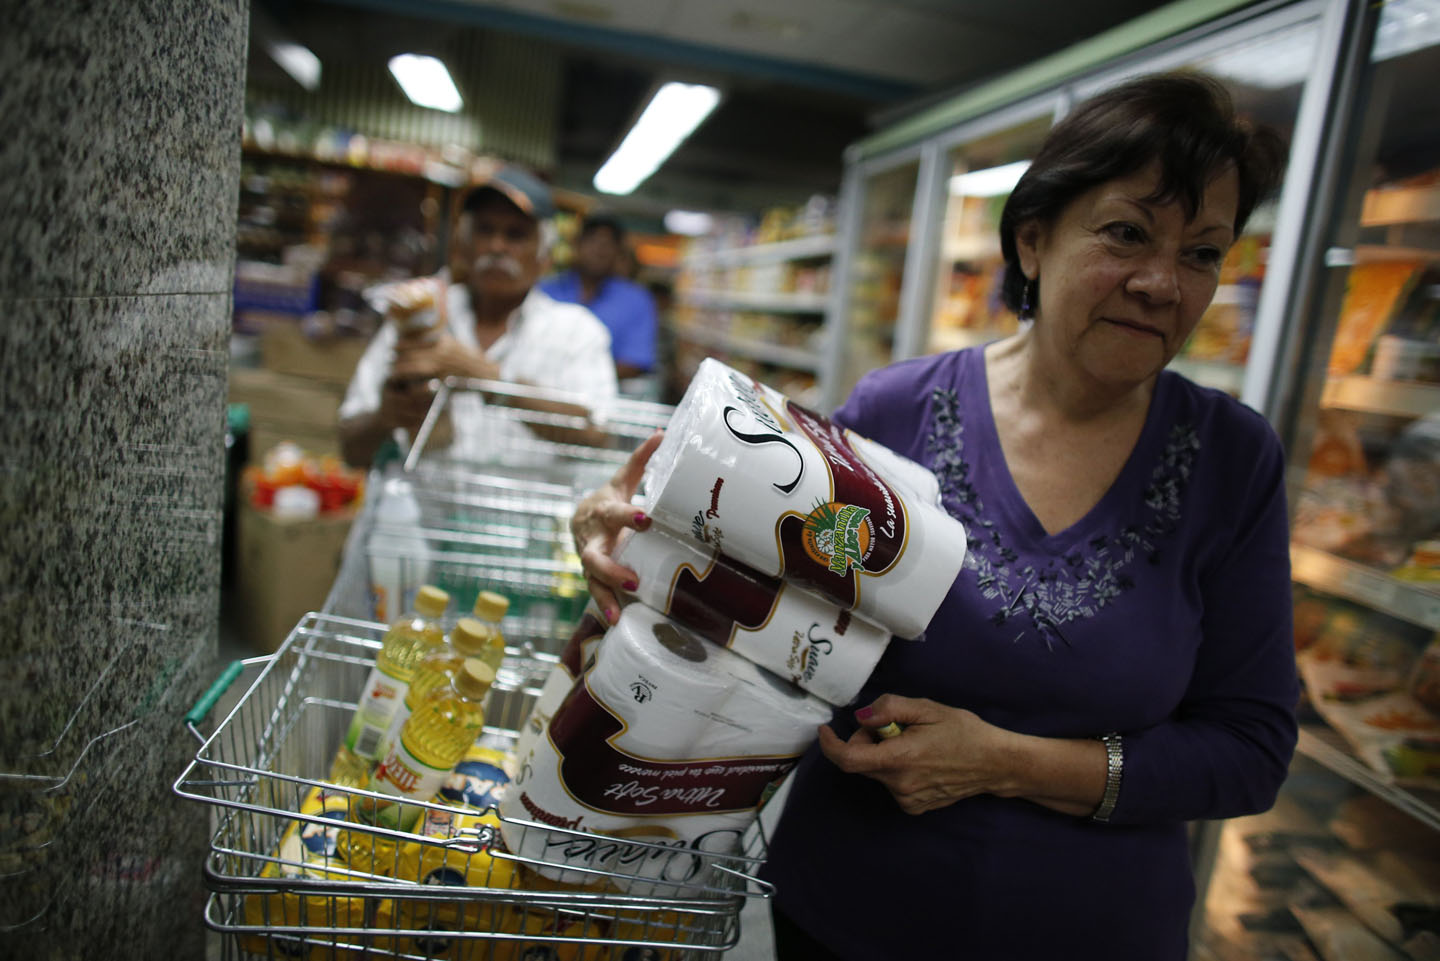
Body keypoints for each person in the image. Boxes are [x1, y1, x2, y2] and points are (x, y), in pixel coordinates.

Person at [569, 74, 1298, 960]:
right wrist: (636, 541)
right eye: (1126, 233)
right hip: (850, 917)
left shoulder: (1233, 460)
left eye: (1203, 254)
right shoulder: (896, 413)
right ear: (1034, 240)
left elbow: (1250, 747)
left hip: (1095, 933)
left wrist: (1004, 759)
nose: (1160, 283)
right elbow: (753, 605)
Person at [338, 164, 618, 468]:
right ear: (464, 245)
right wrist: (385, 417)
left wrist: (490, 380)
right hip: (417, 511)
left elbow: (599, 438)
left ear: (544, 256)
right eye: (485, 230)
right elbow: (351, 451)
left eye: (516, 235)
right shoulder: (418, 318)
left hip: (524, 513)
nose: (497, 246)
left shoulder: (575, 332)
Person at [540, 214, 660, 380]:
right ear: (576, 244)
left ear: (618, 252)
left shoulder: (637, 301)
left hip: (606, 396)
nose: (599, 250)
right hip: (538, 388)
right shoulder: (545, 290)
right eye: (592, 241)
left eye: (607, 244)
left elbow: (635, 361)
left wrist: (577, 380)